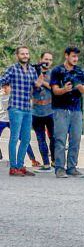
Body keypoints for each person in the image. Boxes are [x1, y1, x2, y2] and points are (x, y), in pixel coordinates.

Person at [1, 46, 40, 176]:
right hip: (16, 108)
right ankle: (13, 168)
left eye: (27, 53)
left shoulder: (32, 71)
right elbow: (2, 81)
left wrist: (38, 85)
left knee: (26, 138)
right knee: (14, 138)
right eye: (22, 53)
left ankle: (20, 165)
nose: (25, 55)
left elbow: (35, 89)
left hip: (28, 109)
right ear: (17, 56)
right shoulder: (13, 69)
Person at [50, 46, 84, 179]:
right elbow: (54, 90)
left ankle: (72, 167)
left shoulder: (79, 71)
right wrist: (64, 89)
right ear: (66, 56)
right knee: (60, 139)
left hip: (76, 110)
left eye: (77, 56)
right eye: (73, 56)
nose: (75, 59)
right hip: (60, 109)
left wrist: (79, 86)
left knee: (76, 139)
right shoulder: (57, 70)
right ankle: (60, 168)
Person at [31, 51, 54, 172]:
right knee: (41, 139)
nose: (47, 62)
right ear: (41, 59)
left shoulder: (54, 74)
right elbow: (29, 90)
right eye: (45, 59)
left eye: (50, 60)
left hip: (51, 111)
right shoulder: (32, 72)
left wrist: (42, 82)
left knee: (54, 138)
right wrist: (36, 82)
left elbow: (54, 88)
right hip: (36, 112)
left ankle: (55, 162)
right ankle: (46, 164)